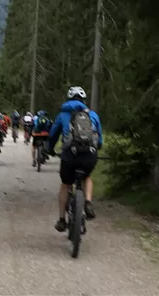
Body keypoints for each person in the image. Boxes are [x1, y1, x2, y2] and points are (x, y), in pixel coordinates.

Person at [48, 86, 103, 232]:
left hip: (69, 156)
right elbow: (100, 139)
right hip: (89, 155)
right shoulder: (93, 115)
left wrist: (50, 148)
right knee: (87, 177)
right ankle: (88, 202)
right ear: (84, 100)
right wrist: (98, 148)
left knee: (66, 184)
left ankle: (61, 220)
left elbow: (53, 135)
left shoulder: (62, 115)